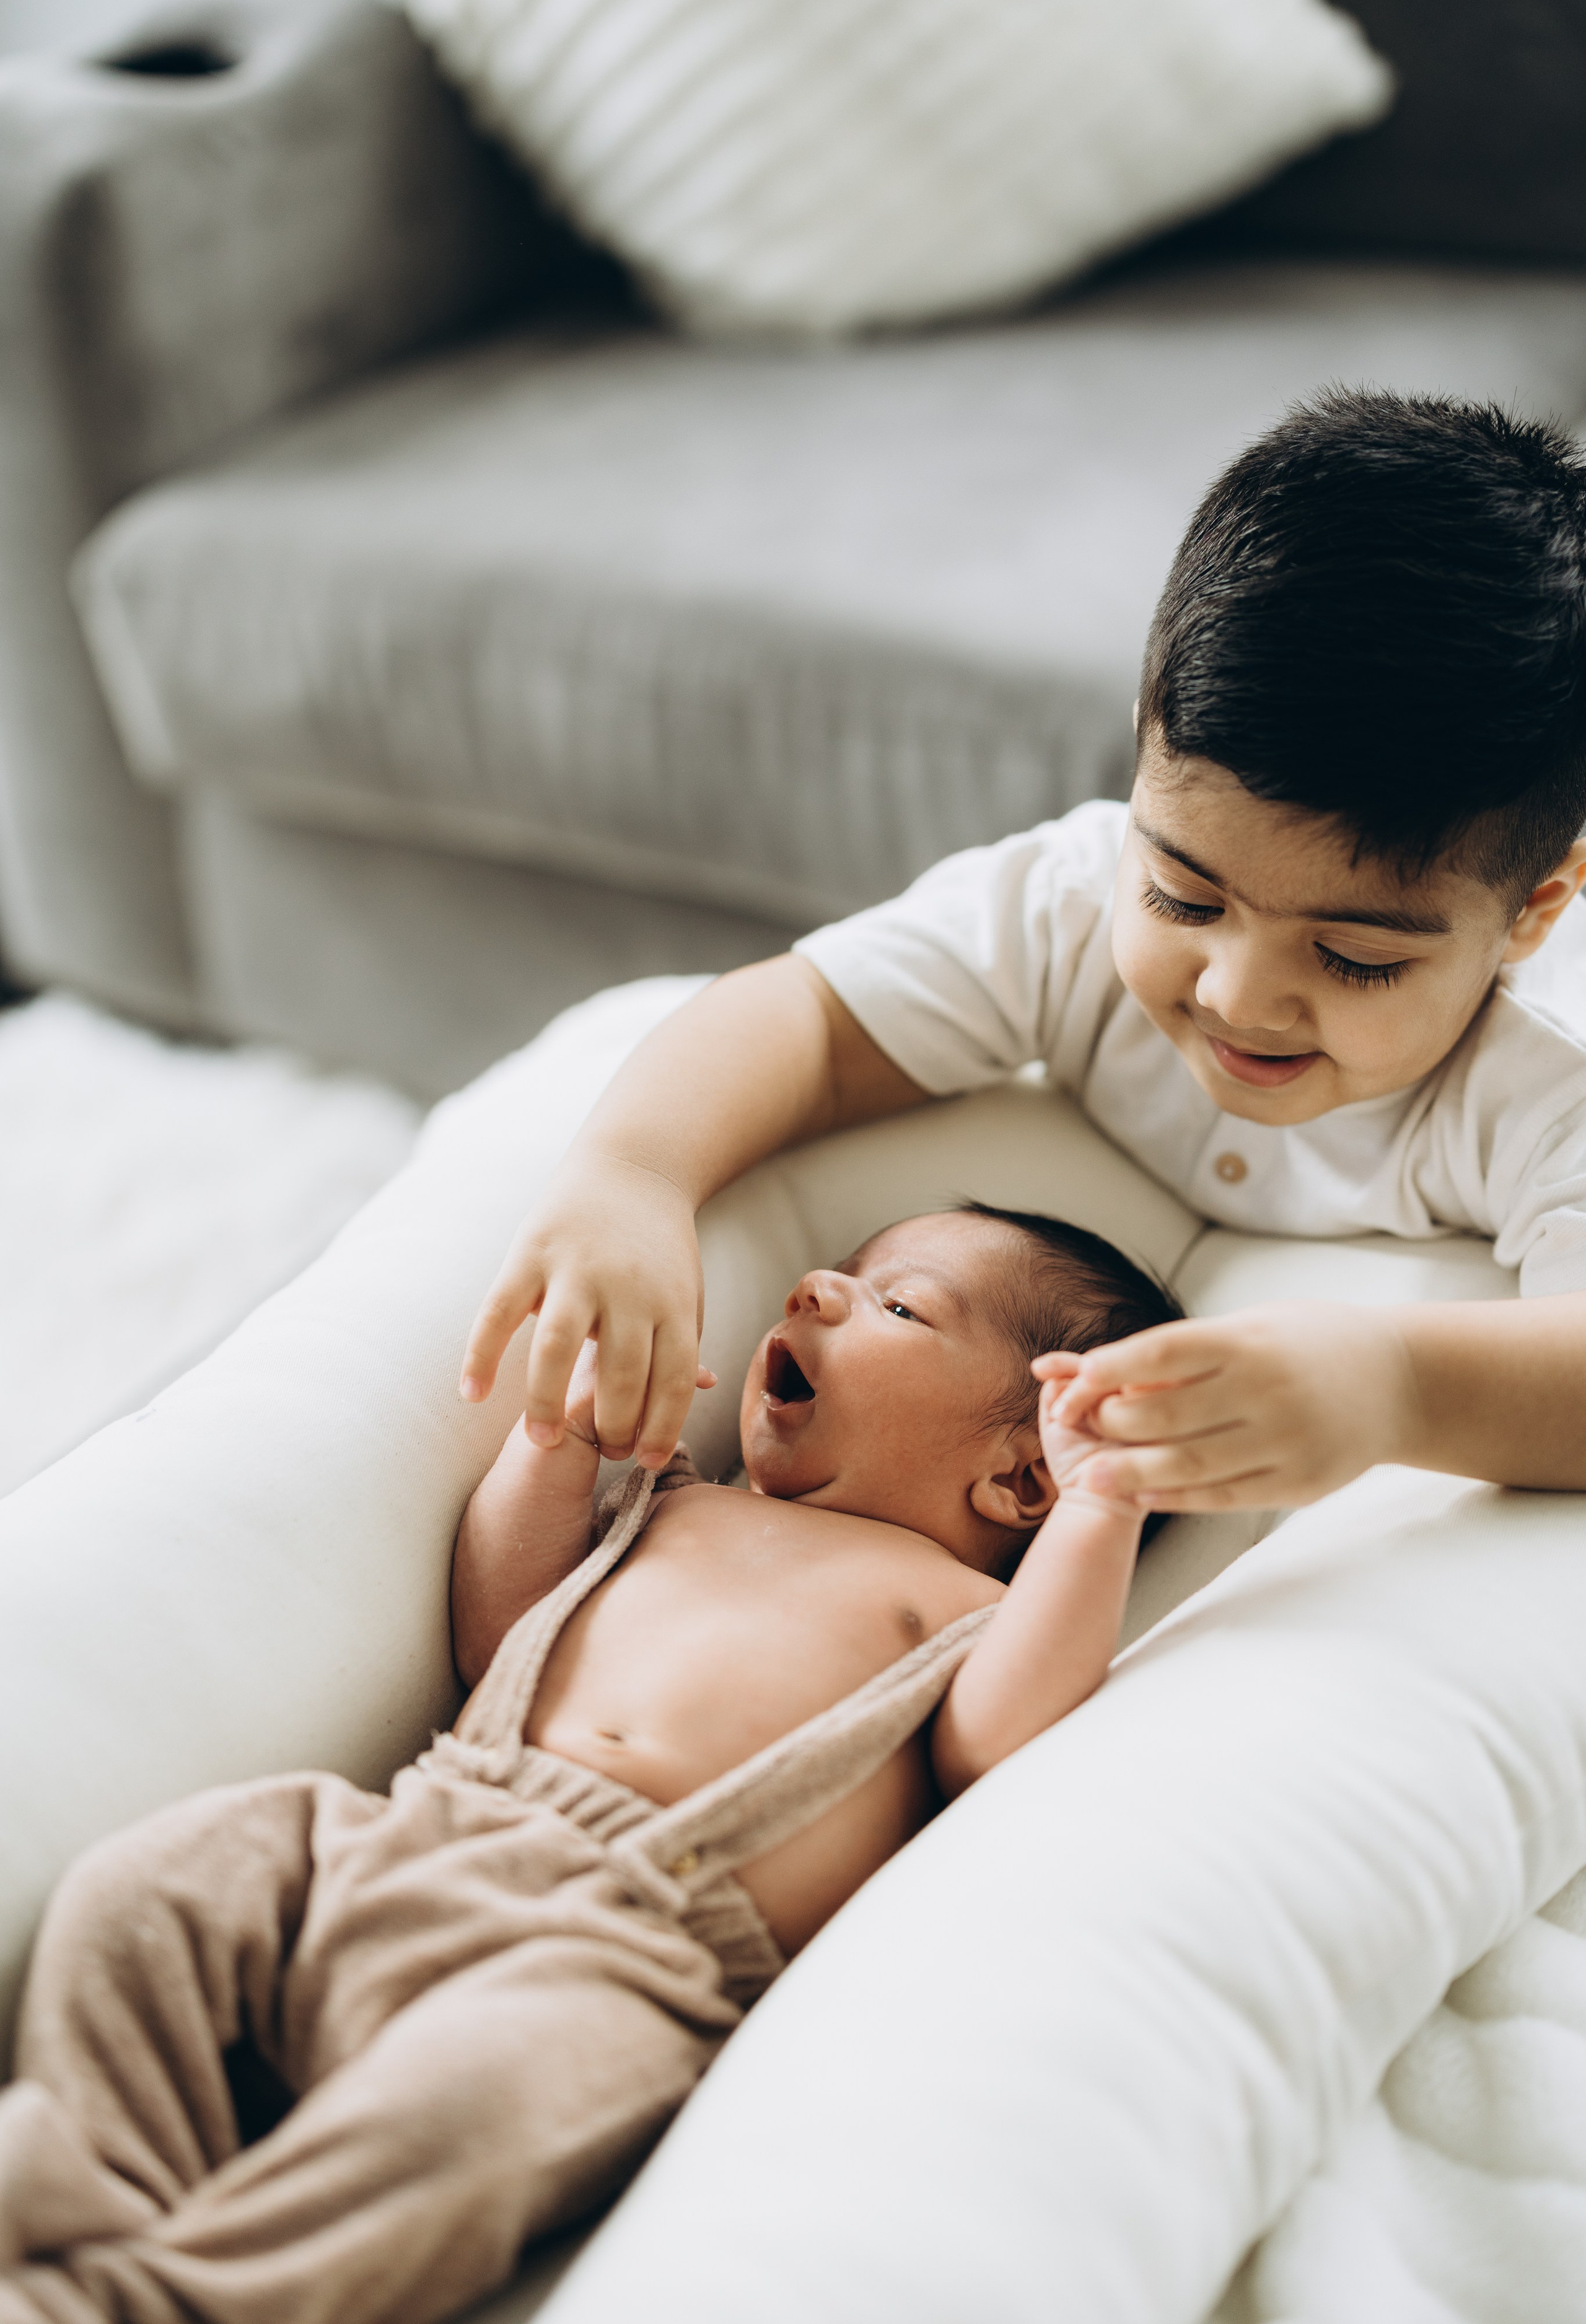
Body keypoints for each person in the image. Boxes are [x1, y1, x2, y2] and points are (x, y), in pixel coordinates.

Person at [0, 1206, 1178, 2324]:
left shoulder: (964, 1612)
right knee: (153, 1889)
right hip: (421, 1823)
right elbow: (500, 1629)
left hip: (633, 1960)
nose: (819, 1288)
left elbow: (1001, 1742)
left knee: (473, 2122)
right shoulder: (677, 1503)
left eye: (901, 1307)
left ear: (1021, 1478)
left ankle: (155, 2301)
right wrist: (556, 1443)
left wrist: (1102, 1508)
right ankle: (93, 2177)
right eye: (842, 1272)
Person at [462, 390, 1586, 1515]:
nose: (1239, 996)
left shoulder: (1553, 1069)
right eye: (1185, 897)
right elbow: (811, 1021)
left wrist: (1396, 1386)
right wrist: (636, 1176)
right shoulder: (1068, 902)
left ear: (1534, 912)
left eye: (1353, 959)